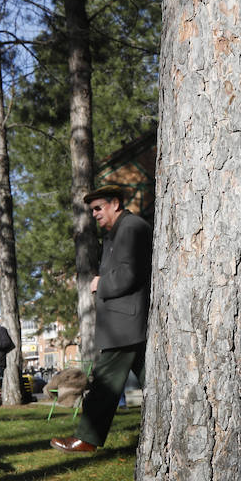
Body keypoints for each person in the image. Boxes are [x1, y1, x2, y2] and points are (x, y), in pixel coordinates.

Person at [51, 185, 152, 453]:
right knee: (155, 384)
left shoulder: (130, 228)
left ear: (115, 203)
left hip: (125, 325)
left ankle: (87, 438)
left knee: (104, 383)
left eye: (98, 208)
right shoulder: (120, 231)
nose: (94, 214)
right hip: (129, 323)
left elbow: (131, 273)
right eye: (92, 209)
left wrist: (100, 283)